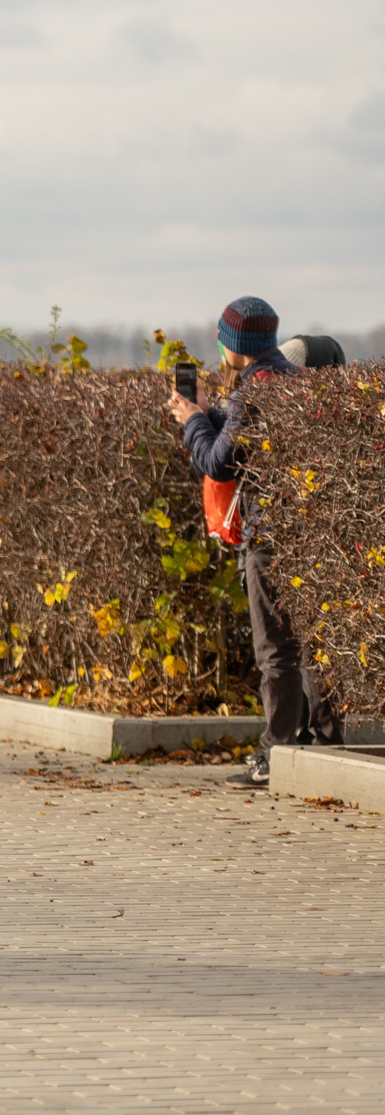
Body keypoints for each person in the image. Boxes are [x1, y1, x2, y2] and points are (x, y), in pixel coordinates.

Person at [168, 295, 340, 787]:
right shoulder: (293, 381)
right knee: (316, 642)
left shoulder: (253, 391)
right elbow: (252, 442)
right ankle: (327, 742)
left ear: (232, 344)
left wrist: (191, 420)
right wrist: (211, 415)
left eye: (222, 338)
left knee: (276, 648)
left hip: (271, 535)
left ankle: (275, 753)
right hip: (309, 530)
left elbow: (218, 463)